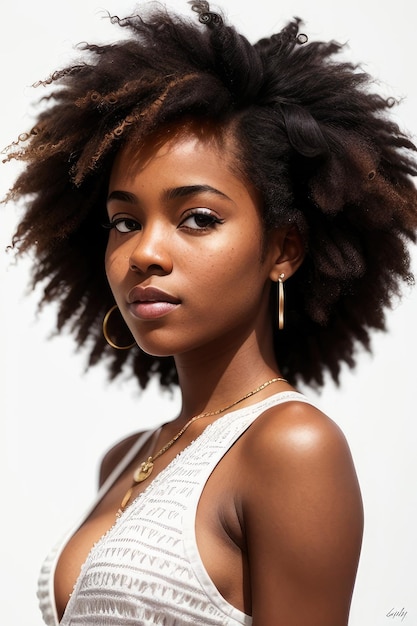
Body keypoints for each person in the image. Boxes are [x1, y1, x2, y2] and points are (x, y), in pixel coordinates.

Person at [3, 1, 417, 624]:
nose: (144, 252)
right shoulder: (125, 455)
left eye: (197, 218)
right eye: (124, 221)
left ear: (283, 249)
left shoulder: (292, 447)